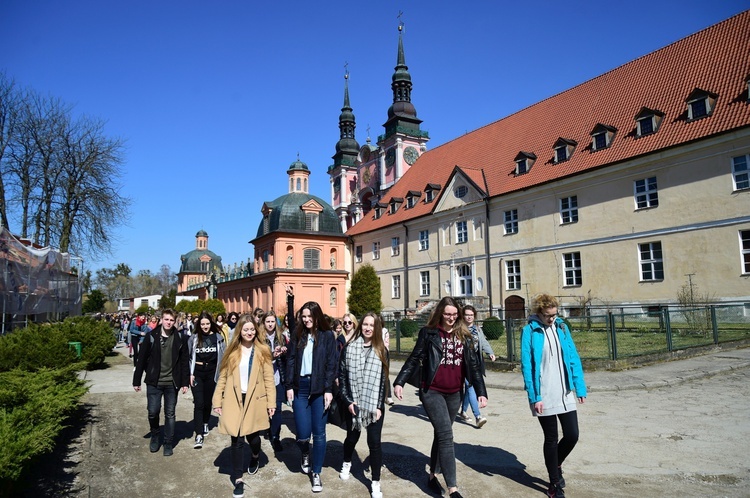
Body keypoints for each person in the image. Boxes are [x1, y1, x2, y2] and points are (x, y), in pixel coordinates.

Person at [393, 296, 487, 498]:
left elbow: (474, 368)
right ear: (440, 313)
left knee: (441, 433)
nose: (451, 318)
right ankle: (453, 488)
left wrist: (481, 392)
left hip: (455, 393)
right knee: (446, 435)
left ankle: (433, 475)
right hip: (432, 391)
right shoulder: (429, 333)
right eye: (448, 314)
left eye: (455, 314)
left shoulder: (465, 336)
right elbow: (414, 358)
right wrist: (399, 381)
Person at [521, 294, 587, 498]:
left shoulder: (562, 327)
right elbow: (527, 365)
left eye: (554, 314)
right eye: (548, 315)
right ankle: (554, 483)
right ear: (539, 313)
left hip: (565, 390)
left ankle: (556, 463)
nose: (552, 319)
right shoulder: (529, 331)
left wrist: (580, 387)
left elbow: (573, 356)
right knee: (551, 438)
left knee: (572, 435)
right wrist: (535, 397)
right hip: (544, 393)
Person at [212, 314, 276, 498]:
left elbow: (269, 379)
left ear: (256, 330)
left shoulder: (263, 350)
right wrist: (217, 400)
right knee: (236, 439)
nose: (249, 332)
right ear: (240, 331)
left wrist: (271, 403)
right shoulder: (232, 351)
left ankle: (255, 455)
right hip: (234, 398)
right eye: (245, 329)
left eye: (252, 329)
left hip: (255, 399)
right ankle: (238, 479)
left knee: (253, 437)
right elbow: (222, 377)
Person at [285, 300, 337, 493]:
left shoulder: (327, 336)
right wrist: (289, 386)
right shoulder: (298, 334)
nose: (306, 320)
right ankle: (305, 452)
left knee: (320, 433)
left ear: (317, 316)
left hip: (319, 389)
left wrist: (329, 389)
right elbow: (290, 360)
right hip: (300, 387)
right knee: (302, 433)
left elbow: (332, 363)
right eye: (304, 316)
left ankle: (316, 473)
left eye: (309, 316)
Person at [338, 312, 389, 498]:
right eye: (365, 324)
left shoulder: (382, 350)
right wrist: (348, 401)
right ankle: (346, 461)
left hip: (374, 404)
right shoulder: (349, 348)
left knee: (374, 443)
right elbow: (342, 377)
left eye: (372, 325)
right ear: (361, 326)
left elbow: (384, 381)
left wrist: (378, 406)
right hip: (354, 402)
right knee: (352, 437)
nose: (368, 328)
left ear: (376, 328)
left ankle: (375, 482)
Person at [132, 309, 190, 457]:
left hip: (172, 383)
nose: (169, 322)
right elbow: (142, 359)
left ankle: (168, 442)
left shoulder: (180, 338)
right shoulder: (152, 336)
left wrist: (184, 382)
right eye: (166, 319)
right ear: (161, 320)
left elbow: (184, 362)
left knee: (170, 413)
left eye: (171, 320)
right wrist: (136, 380)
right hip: (154, 382)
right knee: (153, 411)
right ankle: (155, 435)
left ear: (175, 321)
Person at [188, 311, 226, 449]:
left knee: (208, 401)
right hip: (197, 373)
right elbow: (188, 357)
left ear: (211, 323)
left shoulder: (218, 338)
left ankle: (205, 422)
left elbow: (224, 356)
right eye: (202, 324)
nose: (205, 326)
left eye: (207, 323)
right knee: (199, 403)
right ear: (199, 325)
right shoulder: (193, 338)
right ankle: (198, 434)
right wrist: (189, 374)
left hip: (212, 373)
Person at [458, 305, 496, 428]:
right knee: (470, 387)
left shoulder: (478, 329)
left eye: (471, 315)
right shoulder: (459, 329)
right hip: (463, 363)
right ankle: (478, 416)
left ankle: (463, 411)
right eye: (467, 315)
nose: (469, 317)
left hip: (475, 362)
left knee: (470, 388)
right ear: (463, 316)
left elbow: (483, 342)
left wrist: (490, 353)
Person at [261, 309, 288, 452]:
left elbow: (287, 358)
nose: (270, 324)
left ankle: (275, 437)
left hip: (278, 377)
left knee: (277, 408)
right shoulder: (258, 338)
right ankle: (267, 428)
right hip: (263, 378)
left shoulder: (281, 337)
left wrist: (284, 351)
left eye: (272, 321)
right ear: (263, 323)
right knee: (266, 407)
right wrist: (272, 355)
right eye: (268, 322)